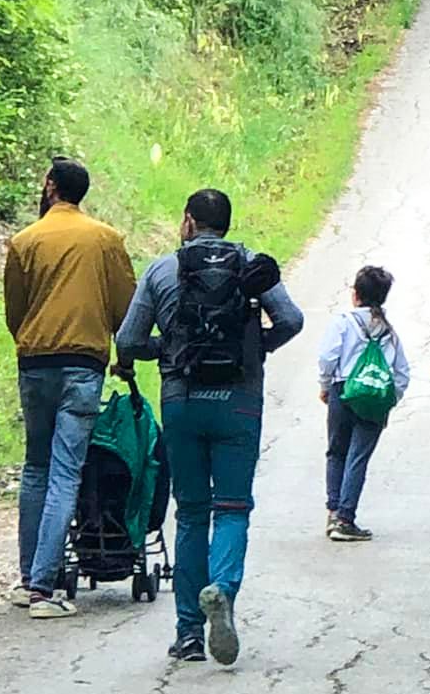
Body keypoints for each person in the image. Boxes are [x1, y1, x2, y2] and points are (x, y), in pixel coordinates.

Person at [114, 189, 305, 664]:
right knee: (234, 508)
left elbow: (129, 339)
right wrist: (256, 345)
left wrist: (169, 350)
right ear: (226, 223)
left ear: (188, 222)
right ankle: (220, 588)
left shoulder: (163, 269)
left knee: (193, 513)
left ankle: (189, 634)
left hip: (182, 400)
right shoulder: (250, 264)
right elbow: (292, 319)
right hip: (238, 400)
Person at [2, 156, 136, 619]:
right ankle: (44, 589)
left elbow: (14, 311)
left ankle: (27, 580)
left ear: (51, 186)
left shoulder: (24, 241)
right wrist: (123, 353)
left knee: (35, 468)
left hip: (35, 362)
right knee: (65, 472)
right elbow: (124, 308)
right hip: (83, 365)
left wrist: (31, 338)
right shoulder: (106, 240)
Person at [317, 265, 410, 542]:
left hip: (343, 388)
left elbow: (327, 357)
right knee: (358, 456)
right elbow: (402, 371)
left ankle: (334, 511)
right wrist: (390, 399)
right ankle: (347, 517)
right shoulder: (388, 330)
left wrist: (325, 386)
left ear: (355, 294)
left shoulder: (343, 321)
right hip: (374, 397)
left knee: (336, 452)